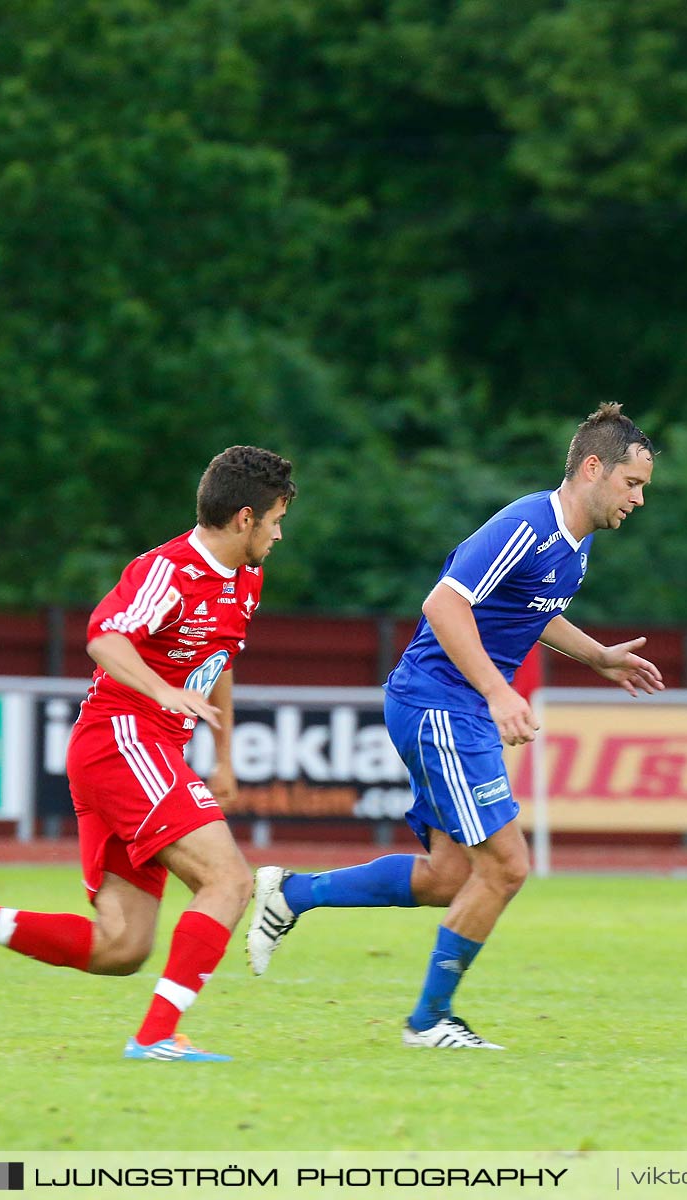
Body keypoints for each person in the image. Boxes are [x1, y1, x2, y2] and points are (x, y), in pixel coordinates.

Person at [244, 404, 665, 1049]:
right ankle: (429, 1021)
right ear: (591, 468)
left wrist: (599, 657)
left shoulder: (574, 551)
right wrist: (498, 693)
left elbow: (531, 614)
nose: (638, 499)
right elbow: (443, 603)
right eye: (632, 484)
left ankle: (292, 894)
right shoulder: (531, 525)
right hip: (440, 703)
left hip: (450, 707)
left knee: (449, 876)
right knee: (507, 866)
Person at [0, 445, 297, 1063]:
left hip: (141, 750)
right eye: (277, 519)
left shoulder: (246, 578)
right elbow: (104, 636)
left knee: (120, 948)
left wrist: (222, 754)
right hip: (122, 738)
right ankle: (155, 1039)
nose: (279, 535)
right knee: (228, 880)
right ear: (245, 518)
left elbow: (218, 660)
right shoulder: (169, 571)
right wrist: (161, 691)